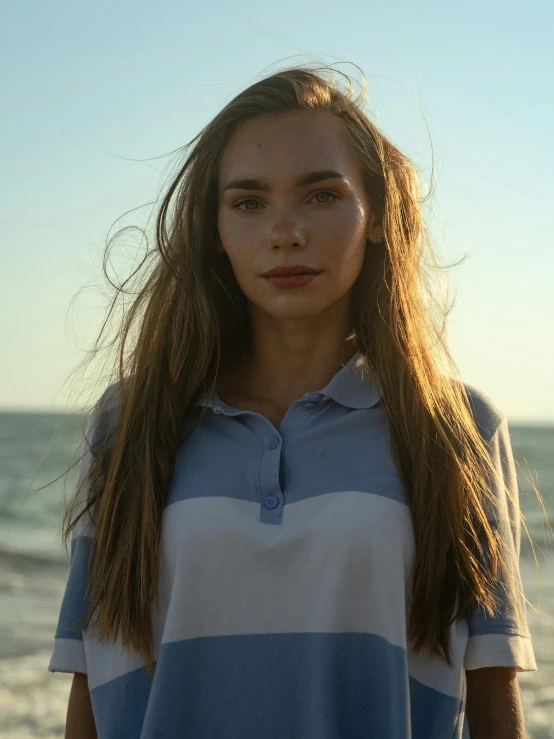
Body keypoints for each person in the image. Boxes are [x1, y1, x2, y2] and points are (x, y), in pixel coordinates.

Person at [48, 65, 537, 738]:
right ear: (214, 229)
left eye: (321, 196)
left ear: (375, 214)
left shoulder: (456, 427)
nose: (285, 232)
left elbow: (491, 701)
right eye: (248, 203)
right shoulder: (127, 424)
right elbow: (91, 691)